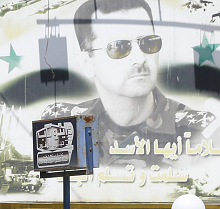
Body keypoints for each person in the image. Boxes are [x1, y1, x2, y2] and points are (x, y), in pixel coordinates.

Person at [42, 0, 216, 168]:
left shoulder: (201, 131)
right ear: (87, 62)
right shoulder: (61, 126)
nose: (140, 59)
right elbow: (55, 195)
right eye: (119, 47)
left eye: (149, 42)